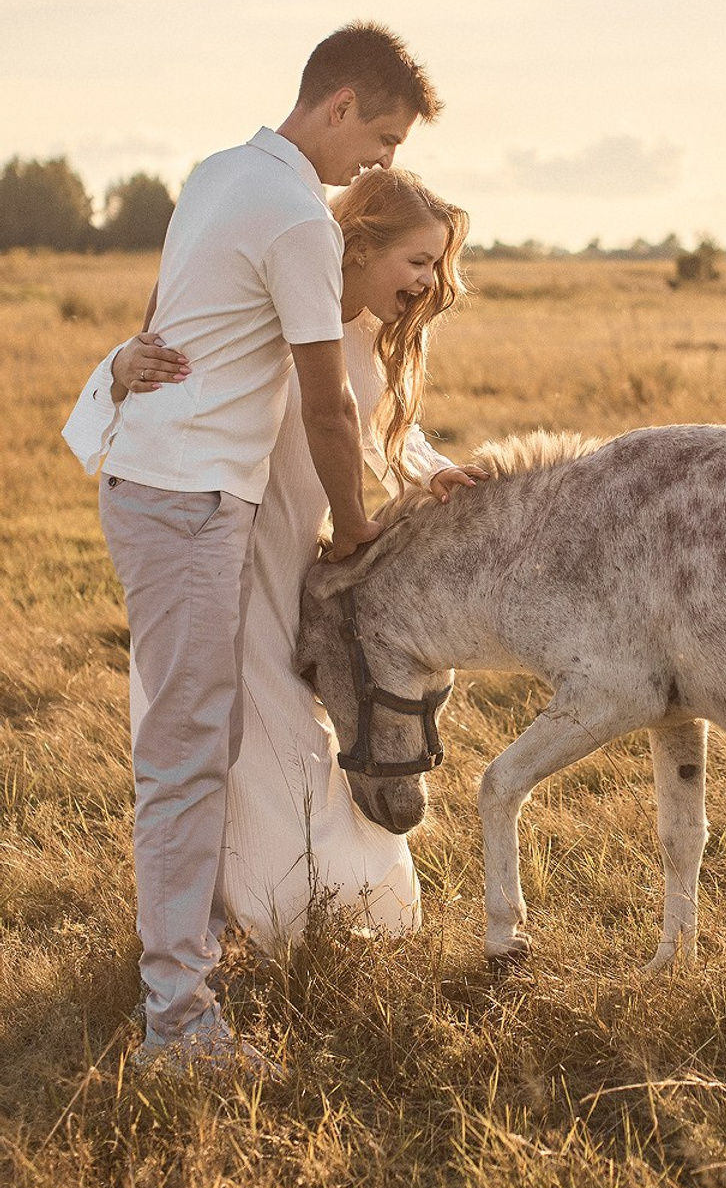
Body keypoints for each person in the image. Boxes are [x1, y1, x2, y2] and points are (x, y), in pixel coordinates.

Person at [62, 23, 440, 1075]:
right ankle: (179, 1027)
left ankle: (200, 951)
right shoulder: (295, 218)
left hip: (166, 489)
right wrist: (359, 531)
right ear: (335, 105)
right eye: (380, 135)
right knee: (185, 760)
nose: (384, 161)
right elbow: (325, 407)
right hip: (187, 503)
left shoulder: (218, 174)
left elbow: (160, 316)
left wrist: (131, 361)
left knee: (200, 742)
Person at [71, 167, 484, 966]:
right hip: (223, 550)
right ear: (358, 245)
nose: (432, 282)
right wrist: (124, 365)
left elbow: (385, 433)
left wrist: (431, 470)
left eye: (438, 265)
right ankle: (257, 910)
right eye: (418, 261)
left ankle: (319, 896)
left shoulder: (359, 340)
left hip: (294, 568)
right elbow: (182, 359)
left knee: (303, 729)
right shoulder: (271, 317)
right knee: (251, 739)